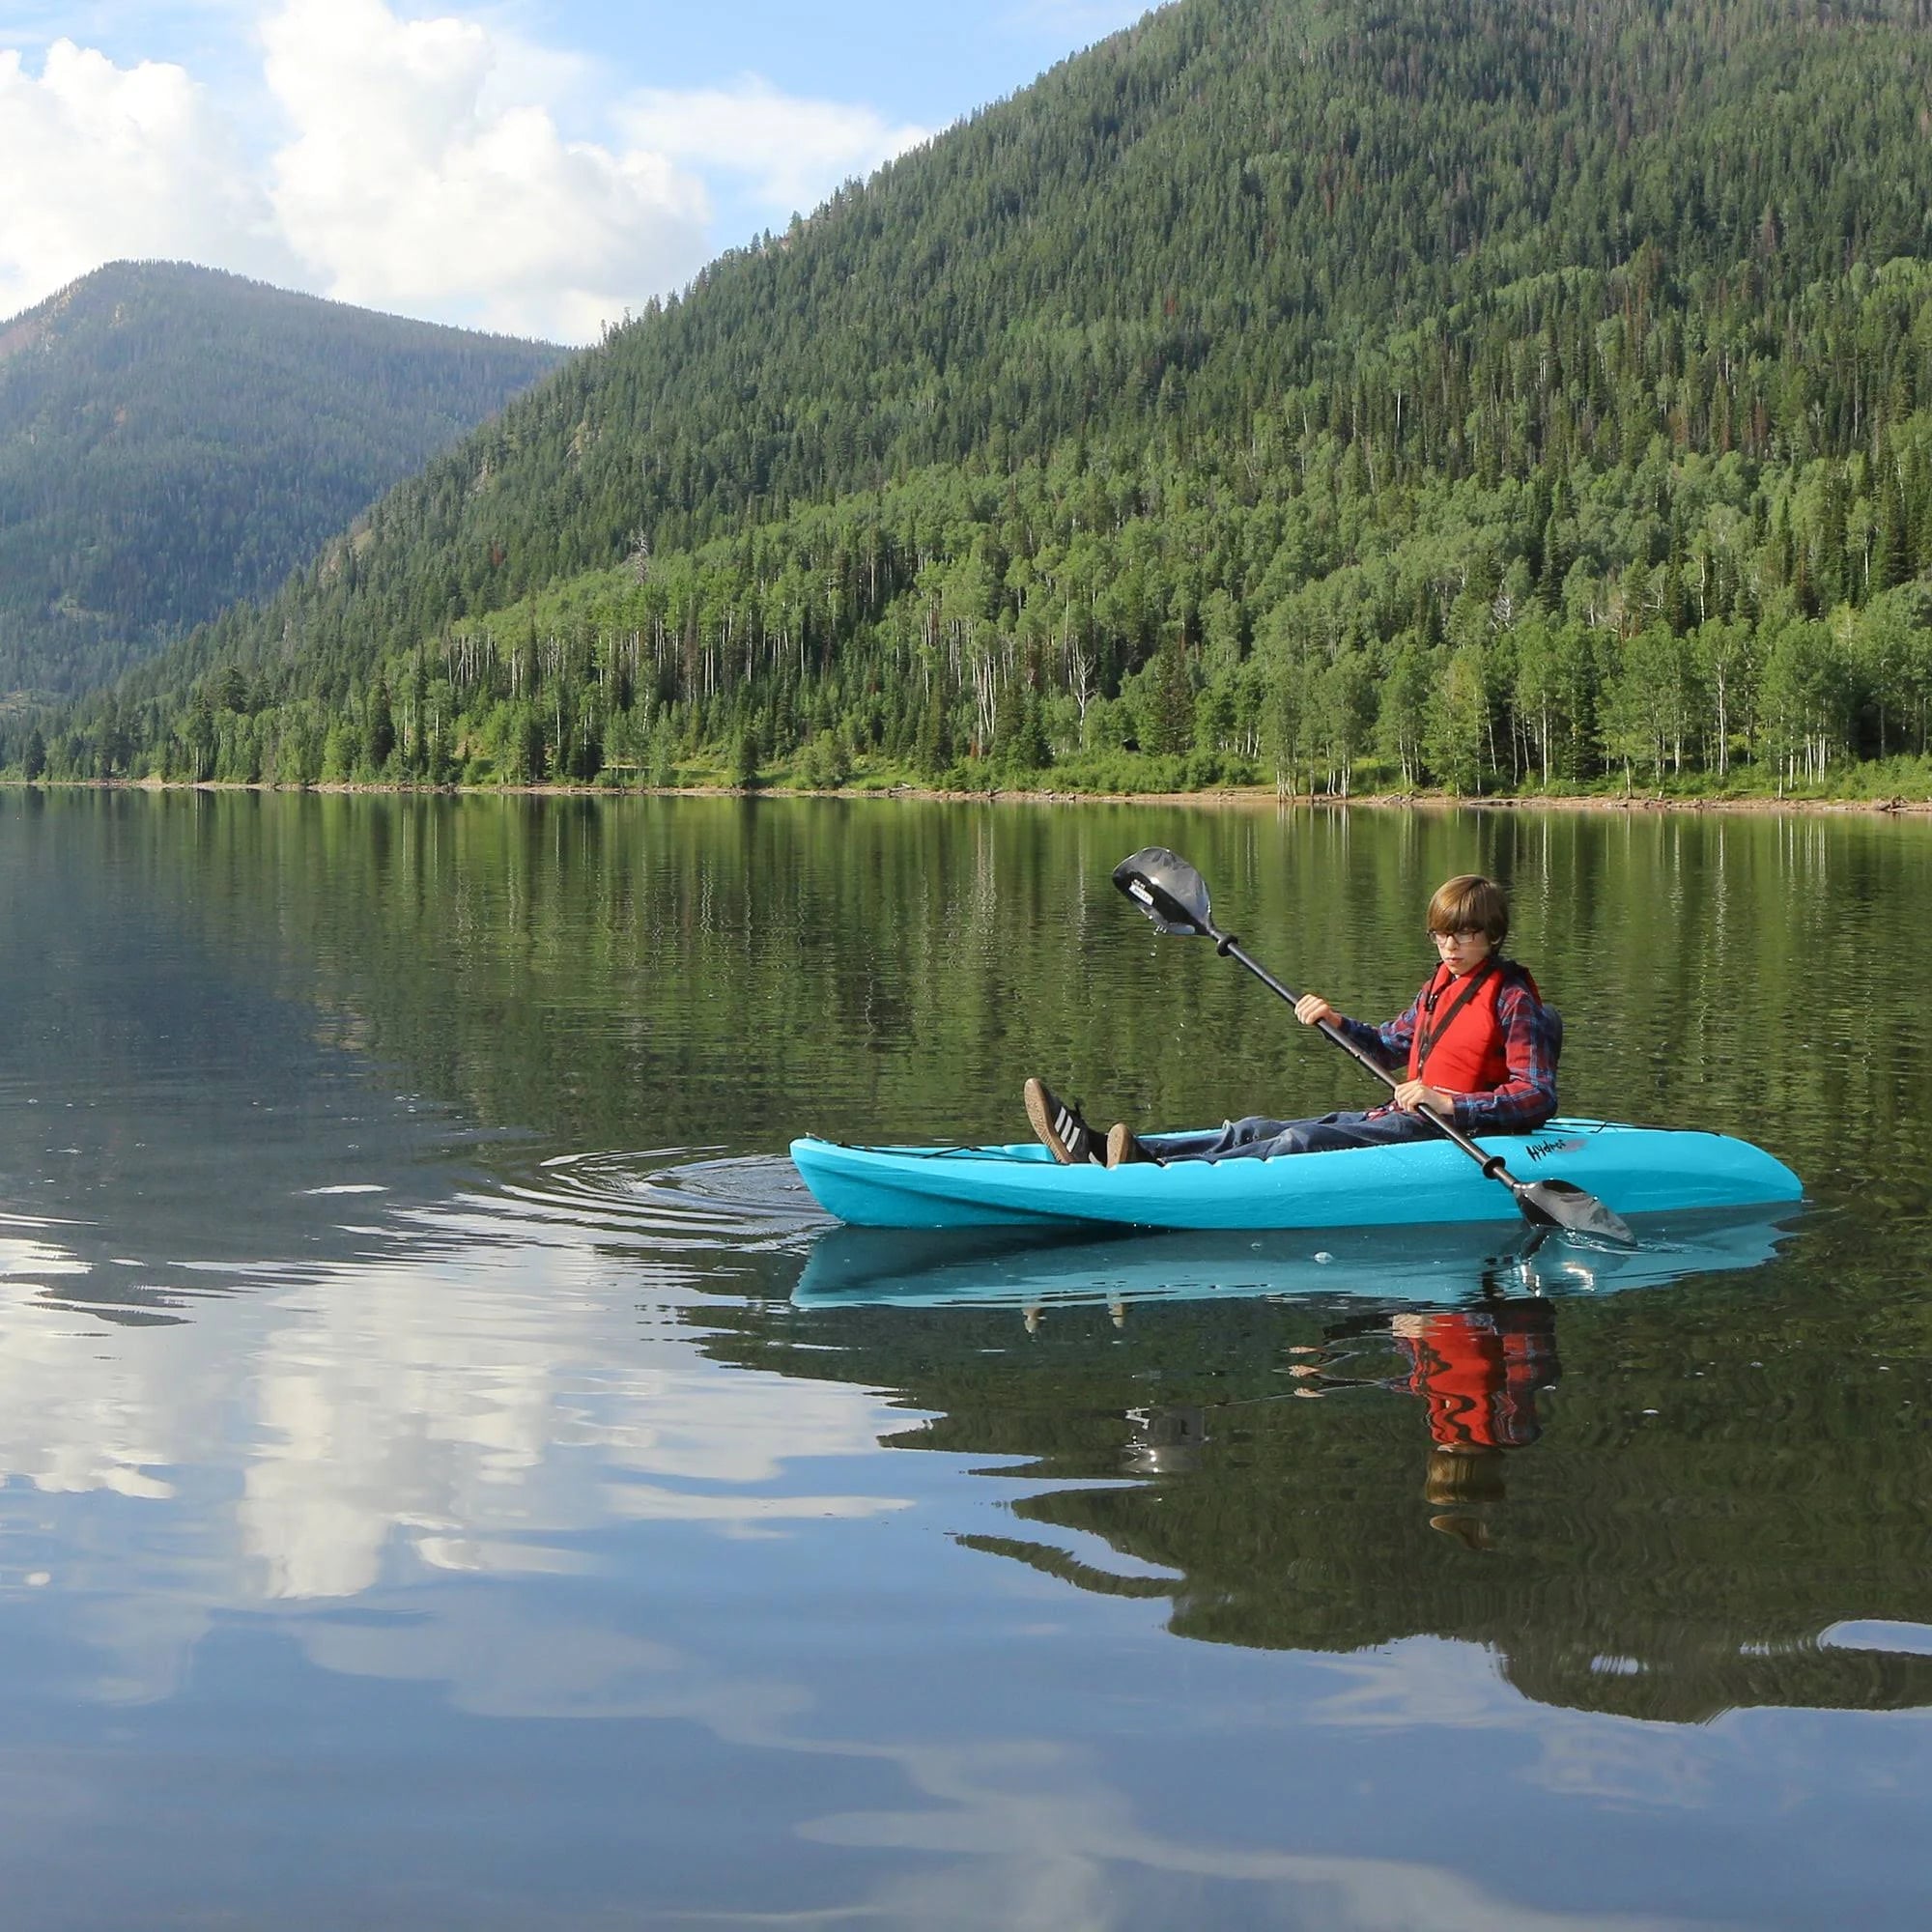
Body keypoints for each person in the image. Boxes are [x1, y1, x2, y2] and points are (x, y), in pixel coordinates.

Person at [1022, 872, 1558, 1167]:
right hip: (1404, 1118)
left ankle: (1157, 1174)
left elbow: (1536, 1095)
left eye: (1463, 934)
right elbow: (1391, 1048)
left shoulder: (1512, 999)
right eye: (1441, 934)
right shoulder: (1439, 987)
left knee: (1297, 1145)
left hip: (1448, 1132)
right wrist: (1336, 1021)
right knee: (1258, 1129)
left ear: (1492, 934)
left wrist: (1450, 1102)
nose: (1449, 945)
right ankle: (1106, 1147)